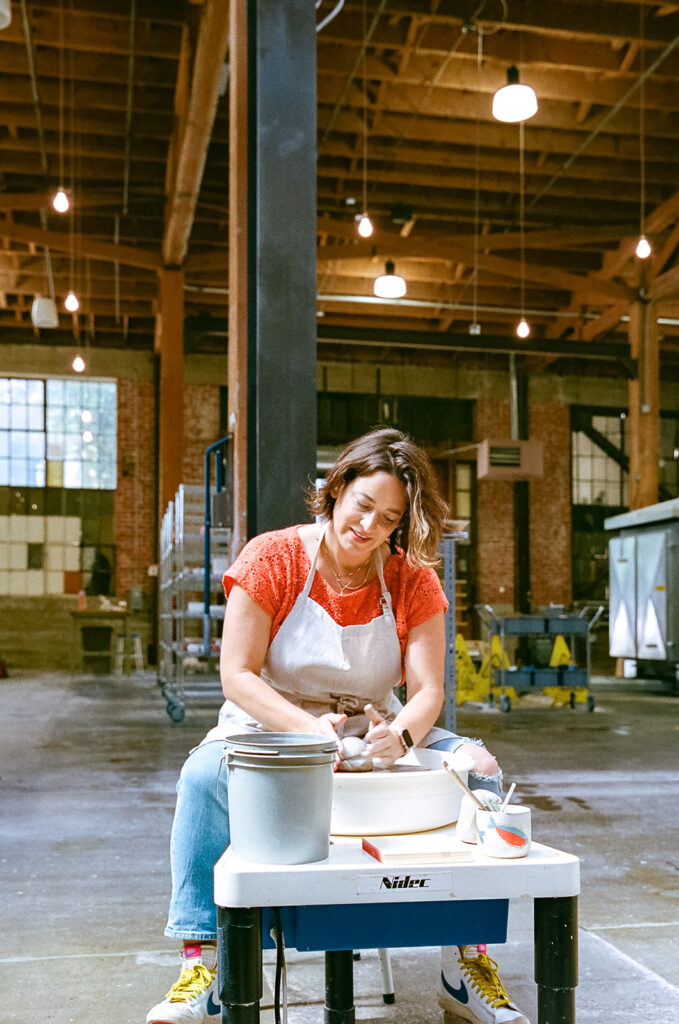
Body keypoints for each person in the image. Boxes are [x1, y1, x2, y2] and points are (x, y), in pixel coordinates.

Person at [147, 428, 529, 1024]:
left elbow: (429, 690)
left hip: (373, 725)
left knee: (478, 770)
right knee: (202, 777)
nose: (370, 526)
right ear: (338, 487)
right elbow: (238, 675)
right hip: (271, 719)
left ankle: (467, 964)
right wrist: (306, 730)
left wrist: (400, 734)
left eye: (389, 517)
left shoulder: (411, 578)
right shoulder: (273, 557)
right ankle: (204, 963)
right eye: (364, 505)